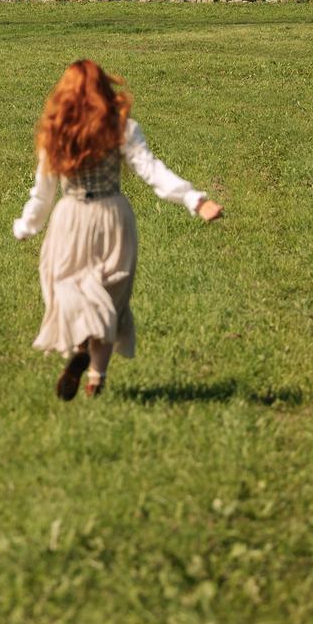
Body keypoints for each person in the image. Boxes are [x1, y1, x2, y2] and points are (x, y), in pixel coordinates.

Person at [13, 59, 222, 401]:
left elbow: (42, 192)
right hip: (113, 217)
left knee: (69, 289)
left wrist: (27, 226)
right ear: (105, 90)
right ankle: (97, 375)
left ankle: (79, 347)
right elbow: (153, 171)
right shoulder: (121, 128)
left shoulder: (56, 133)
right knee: (110, 298)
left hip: (71, 218)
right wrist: (195, 200)